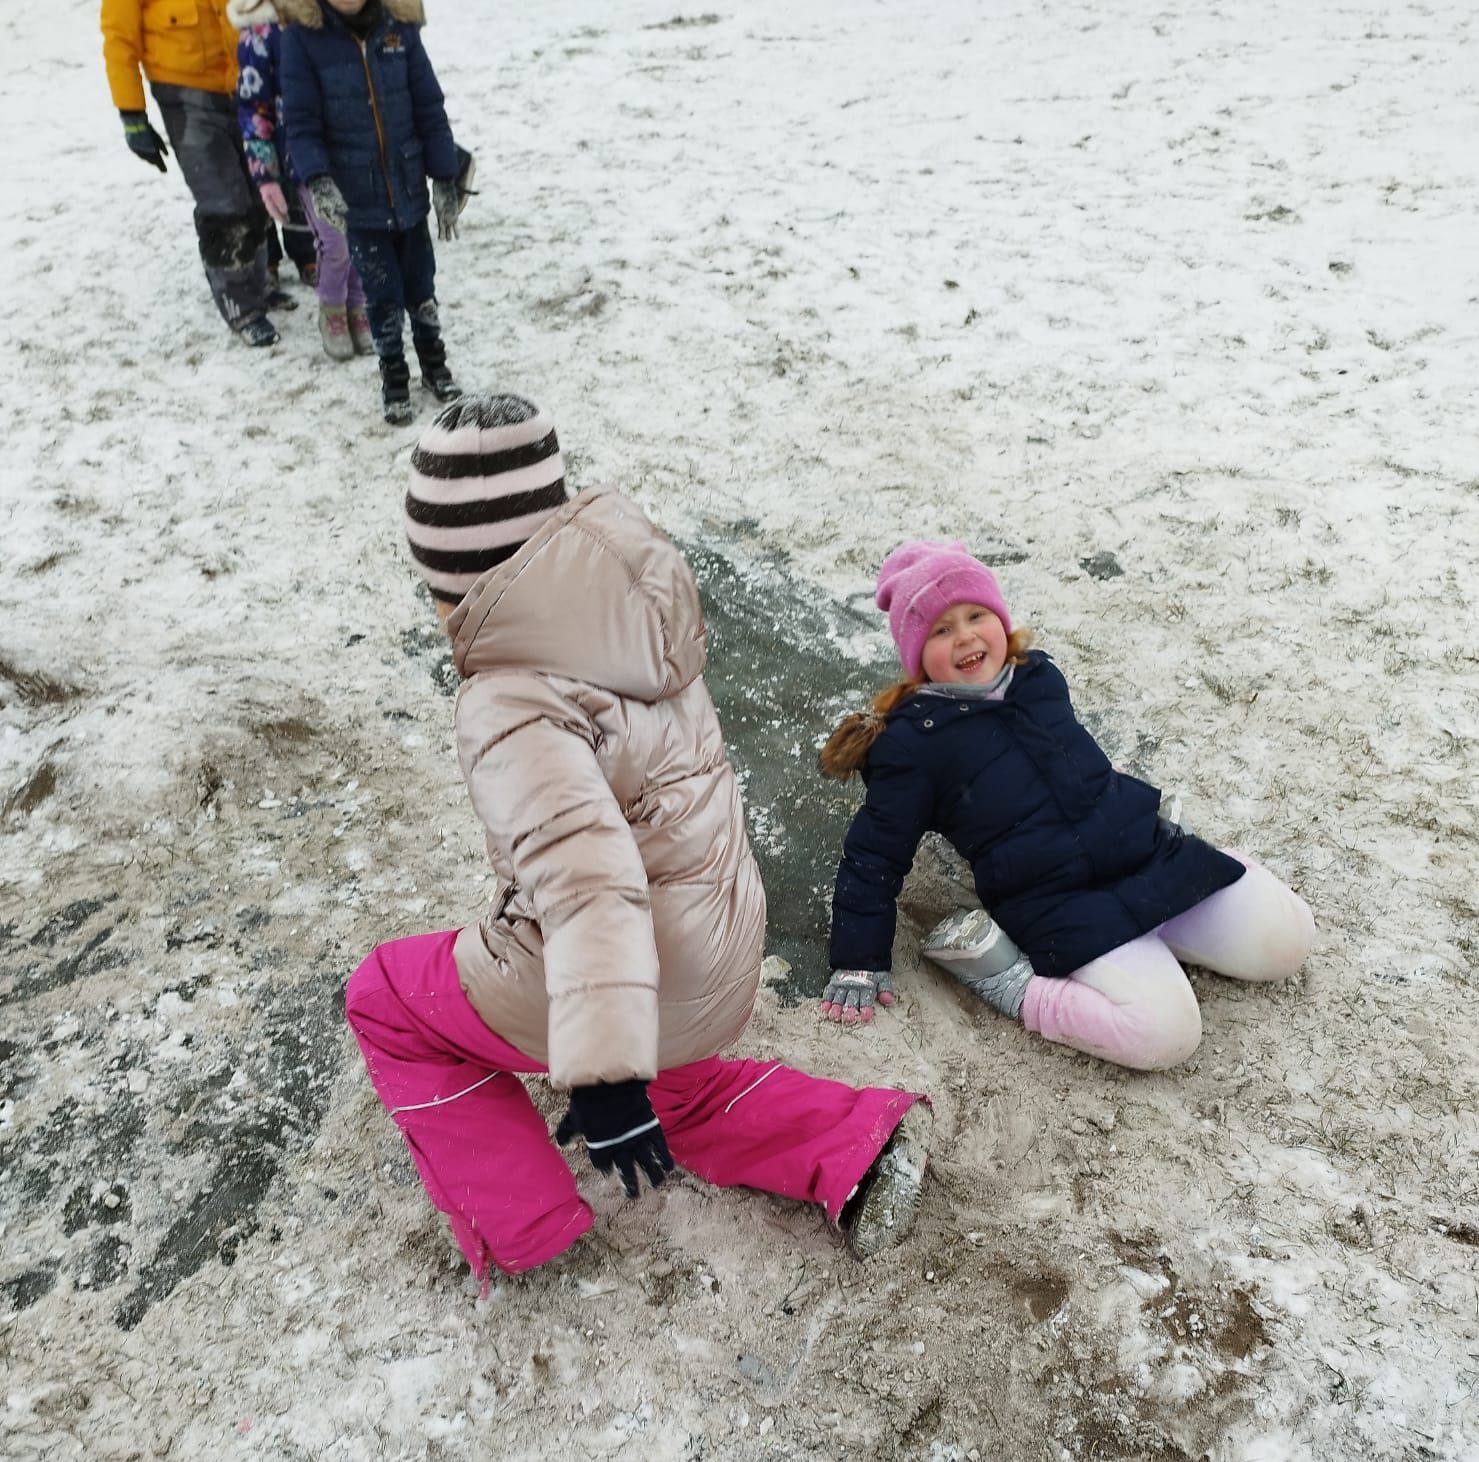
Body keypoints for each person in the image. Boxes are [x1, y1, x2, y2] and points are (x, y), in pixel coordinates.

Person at [344, 395, 931, 1282]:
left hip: (639, 974)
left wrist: (603, 1071)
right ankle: (857, 1142)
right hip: (714, 955)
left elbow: (589, 880)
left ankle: (525, 1221)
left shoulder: (511, 698)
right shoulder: (628, 618)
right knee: (675, 1093)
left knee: (387, 998)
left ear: (461, 581)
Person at [819, 541, 1314, 1070]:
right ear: (916, 654)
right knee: (1166, 1033)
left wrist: (1132, 805)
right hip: (1057, 900)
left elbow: (1075, 764)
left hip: (1143, 854)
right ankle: (1009, 981)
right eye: (941, 630)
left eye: (975, 615)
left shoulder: (1038, 678)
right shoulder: (913, 744)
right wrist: (858, 960)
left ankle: (1179, 903)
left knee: (1289, 938)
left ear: (999, 618)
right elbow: (873, 855)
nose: (964, 636)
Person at [280, 0, 471, 423]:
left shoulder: (399, 26)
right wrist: (319, 179)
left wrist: (444, 176)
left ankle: (434, 365)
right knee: (382, 296)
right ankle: (394, 376)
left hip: (408, 189)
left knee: (421, 287)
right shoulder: (302, 39)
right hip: (358, 201)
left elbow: (428, 106)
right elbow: (300, 122)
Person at [101, 0, 291, 346]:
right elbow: (119, 36)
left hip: (249, 76)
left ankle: (257, 284)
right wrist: (131, 112)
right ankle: (242, 307)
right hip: (184, 92)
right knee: (224, 202)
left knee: (257, 190)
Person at [228, 0, 370, 358]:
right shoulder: (262, 33)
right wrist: (265, 177)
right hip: (306, 157)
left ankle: (358, 304)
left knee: (361, 234)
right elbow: (255, 108)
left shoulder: (342, 13)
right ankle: (333, 310)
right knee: (335, 242)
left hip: (356, 150)